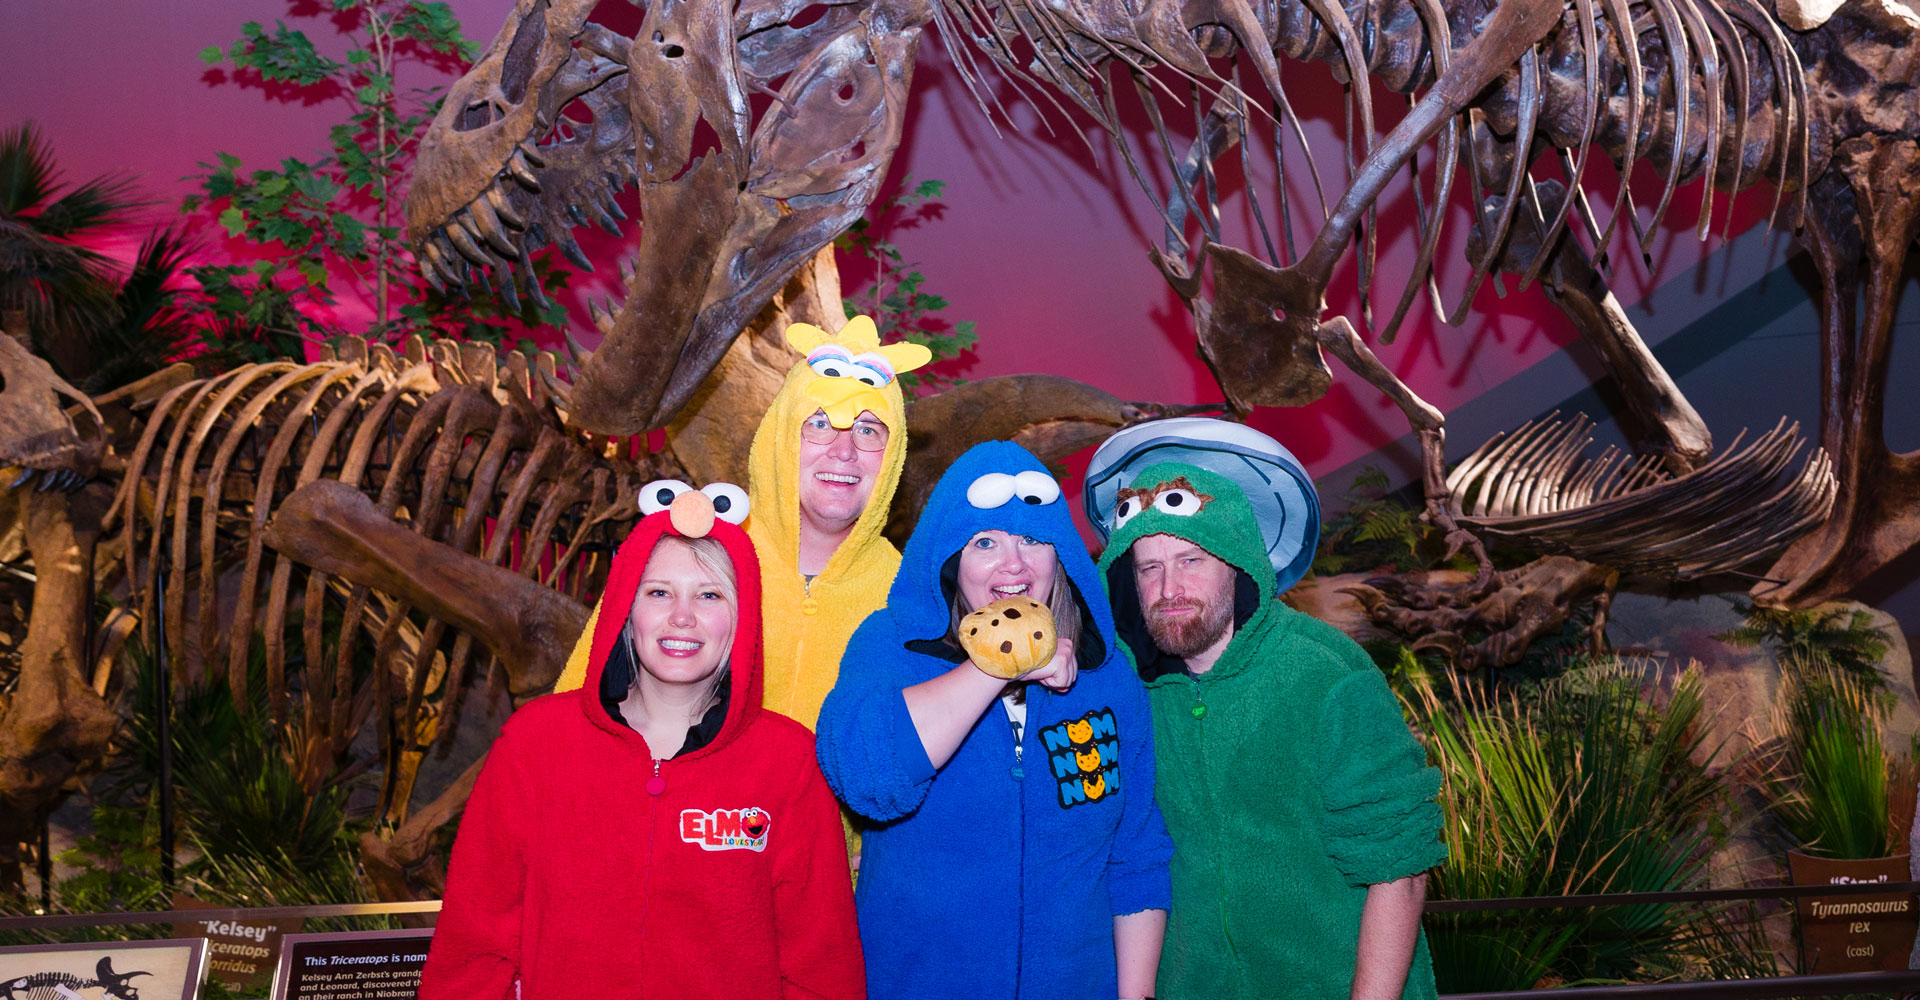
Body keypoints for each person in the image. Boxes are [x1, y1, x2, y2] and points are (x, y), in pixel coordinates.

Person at [420, 485, 864, 1000]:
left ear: (742, 618)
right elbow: (474, 944)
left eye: (710, 594)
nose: (682, 616)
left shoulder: (788, 760)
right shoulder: (535, 743)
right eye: (658, 592)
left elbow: (821, 966)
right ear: (624, 611)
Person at [816, 440, 1173, 1000]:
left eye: (1033, 539)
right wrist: (1000, 661)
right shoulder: (889, 645)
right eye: (986, 542)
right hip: (915, 981)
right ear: (952, 559)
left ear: (1061, 556)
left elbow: (1136, 850)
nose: (1014, 563)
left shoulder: (1107, 675)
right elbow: (867, 780)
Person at [1096, 461, 1445, 1000]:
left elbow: (1400, 871)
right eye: (1148, 568)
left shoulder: (1327, 673)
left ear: (1236, 562)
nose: (1170, 588)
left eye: (1191, 559)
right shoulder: (1126, 693)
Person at [554, 314, 927, 733]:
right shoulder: (693, 551)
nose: (845, 451)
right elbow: (573, 714)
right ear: (781, 434)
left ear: (893, 454)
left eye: (869, 430)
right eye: (819, 424)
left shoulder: (912, 596)